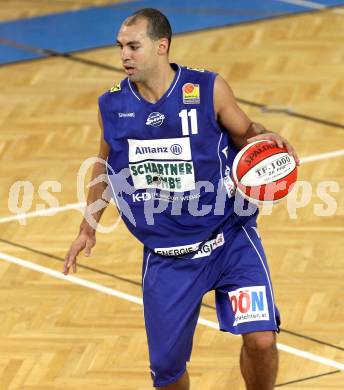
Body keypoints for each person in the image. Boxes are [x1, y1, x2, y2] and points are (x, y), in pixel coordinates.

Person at [63, 8, 299, 390]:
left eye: (133, 46)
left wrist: (269, 139)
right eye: (120, 46)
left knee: (261, 338)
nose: (124, 54)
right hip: (168, 258)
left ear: (161, 46)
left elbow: (246, 132)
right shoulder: (111, 105)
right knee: (168, 373)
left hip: (230, 240)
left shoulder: (207, 88)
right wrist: (87, 228)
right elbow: (105, 168)